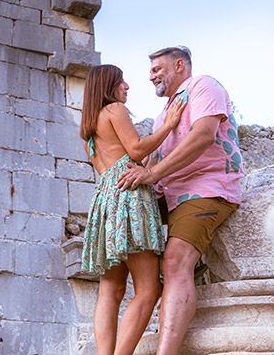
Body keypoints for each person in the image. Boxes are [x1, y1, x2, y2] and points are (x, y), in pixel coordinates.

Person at [115, 46, 243, 355]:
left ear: (179, 65)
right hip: (171, 195)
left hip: (206, 188)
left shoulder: (203, 85)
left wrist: (152, 173)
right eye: (150, 71)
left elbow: (203, 136)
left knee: (174, 260)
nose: (151, 76)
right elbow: (154, 165)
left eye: (158, 69)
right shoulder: (163, 117)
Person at [80, 64, 185, 355]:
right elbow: (136, 151)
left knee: (110, 290)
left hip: (104, 201)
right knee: (148, 289)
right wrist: (170, 124)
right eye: (121, 81)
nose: (127, 86)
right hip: (129, 196)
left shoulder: (87, 130)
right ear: (108, 86)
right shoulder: (114, 109)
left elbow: (116, 162)